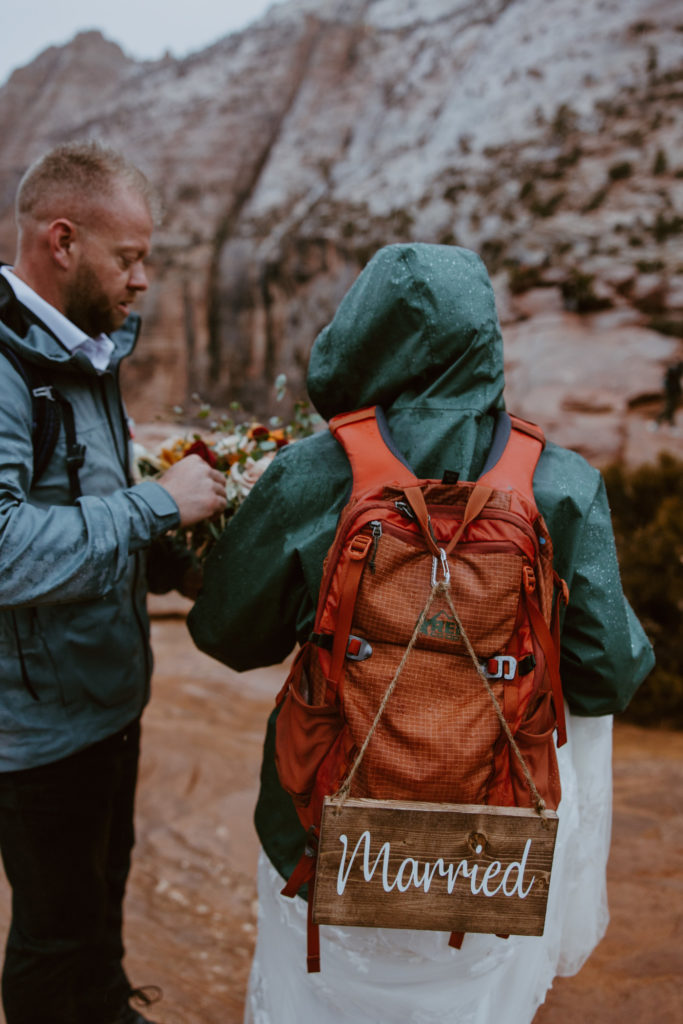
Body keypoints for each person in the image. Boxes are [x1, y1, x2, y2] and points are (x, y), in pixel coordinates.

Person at [189, 243, 655, 1024]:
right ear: (485, 338)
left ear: (364, 333)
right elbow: (607, 674)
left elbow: (228, 635)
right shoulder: (563, 482)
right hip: (492, 853)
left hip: (327, 834)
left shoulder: (315, 472)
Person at [0, 141, 227, 1024]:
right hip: (36, 729)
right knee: (55, 943)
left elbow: (89, 492)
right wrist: (155, 509)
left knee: (95, 915)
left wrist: (181, 558)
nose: (143, 281)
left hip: (103, 703)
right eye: (128, 258)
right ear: (63, 241)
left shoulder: (84, 353)